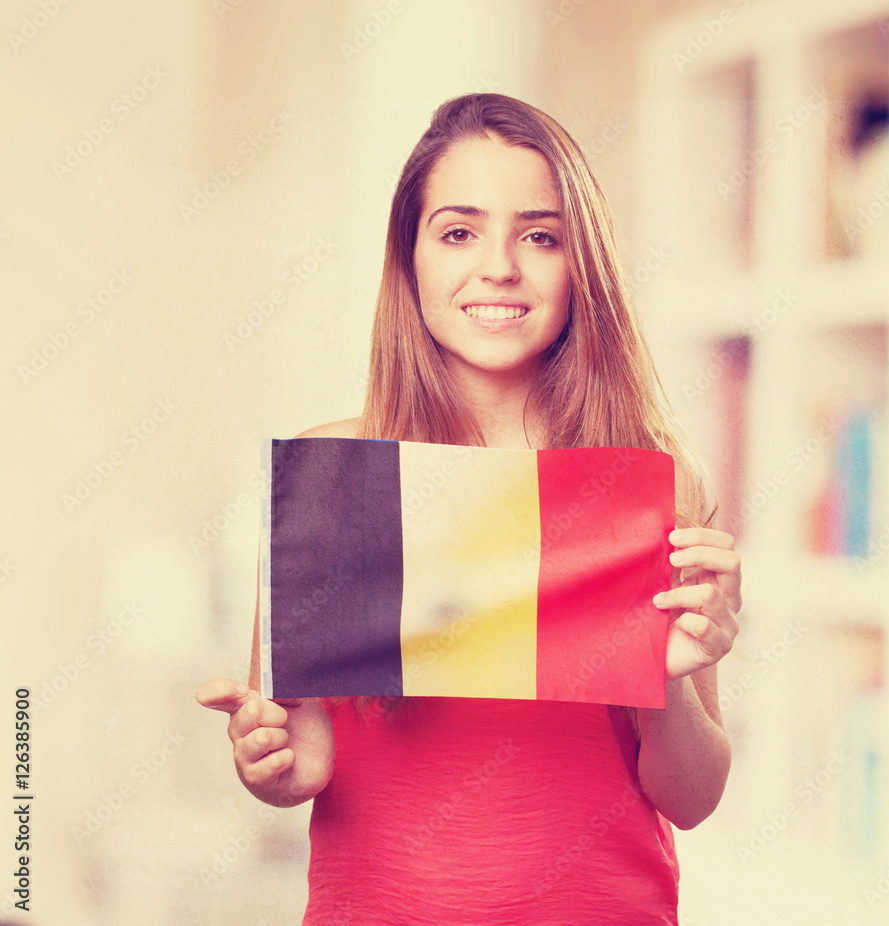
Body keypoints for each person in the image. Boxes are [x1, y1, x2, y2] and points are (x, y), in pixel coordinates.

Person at [197, 93, 742, 925]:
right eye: (458, 231)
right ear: (409, 257)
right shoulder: (333, 476)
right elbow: (296, 761)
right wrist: (271, 763)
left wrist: (663, 681)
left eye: (540, 235)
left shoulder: (656, 479)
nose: (499, 267)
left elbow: (694, 797)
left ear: (581, 261)